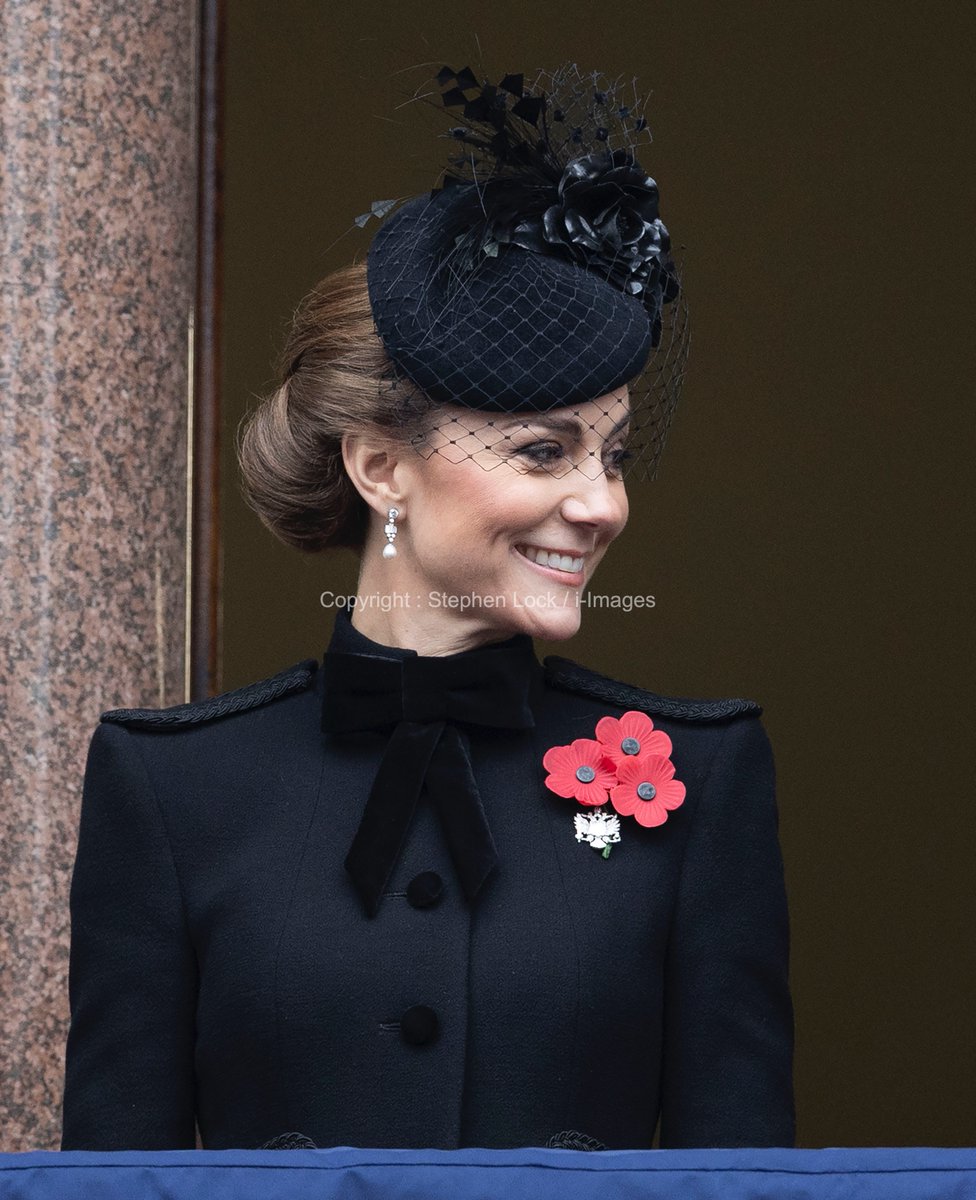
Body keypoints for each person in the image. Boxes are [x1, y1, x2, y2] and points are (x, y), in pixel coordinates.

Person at [60, 63, 794, 1151]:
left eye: (615, 456)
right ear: (378, 467)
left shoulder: (702, 780)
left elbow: (741, 1183)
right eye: (544, 451)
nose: (599, 505)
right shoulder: (172, 789)